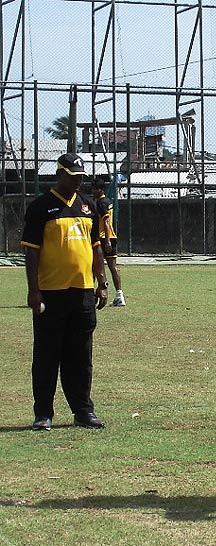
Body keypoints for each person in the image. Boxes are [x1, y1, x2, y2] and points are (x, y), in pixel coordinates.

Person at [21, 153, 108, 431]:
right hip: (50, 292)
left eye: (80, 177)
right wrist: (34, 291)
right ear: (60, 175)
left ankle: (83, 412)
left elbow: (95, 247)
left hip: (82, 291)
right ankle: (43, 414)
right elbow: (31, 252)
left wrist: (101, 282)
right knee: (47, 355)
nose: (77, 181)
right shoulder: (40, 207)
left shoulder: (88, 206)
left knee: (81, 357)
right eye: (72, 177)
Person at [91, 177, 126, 306]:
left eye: (95, 189)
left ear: (100, 189)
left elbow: (105, 222)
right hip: (112, 236)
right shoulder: (108, 201)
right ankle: (119, 296)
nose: (93, 191)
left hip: (103, 238)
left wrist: (106, 241)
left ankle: (90, 295)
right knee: (113, 267)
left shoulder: (100, 203)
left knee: (94, 267)